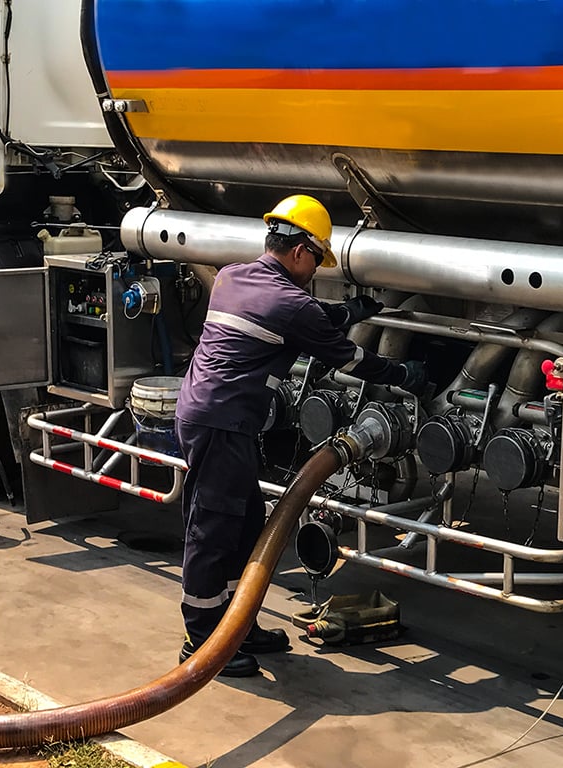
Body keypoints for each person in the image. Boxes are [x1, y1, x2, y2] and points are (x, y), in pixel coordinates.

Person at [174, 194, 427, 677]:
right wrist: (404, 374)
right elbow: (348, 357)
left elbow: (302, 317)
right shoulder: (291, 303)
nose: (315, 269)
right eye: (316, 259)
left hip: (217, 419)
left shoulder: (232, 277)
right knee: (214, 530)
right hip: (221, 425)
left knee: (247, 525)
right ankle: (202, 641)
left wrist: (350, 310)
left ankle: (236, 624)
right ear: (298, 252)